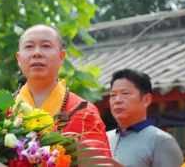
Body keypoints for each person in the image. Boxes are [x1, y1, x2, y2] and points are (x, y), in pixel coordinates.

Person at [15, 24, 121, 166]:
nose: (37, 53)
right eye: (29, 47)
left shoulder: (84, 113)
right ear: (19, 58)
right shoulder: (2, 113)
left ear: (61, 56)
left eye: (46, 46)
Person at [107, 69, 184, 167]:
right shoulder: (104, 139)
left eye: (125, 93)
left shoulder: (161, 141)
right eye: (113, 95)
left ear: (146, 100)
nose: (117, 100)